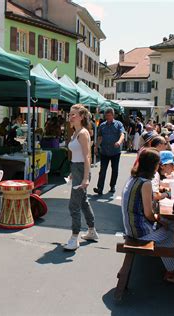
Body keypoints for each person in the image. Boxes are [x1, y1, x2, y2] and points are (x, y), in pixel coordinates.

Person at [121, 148, 174, 285]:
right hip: (139, 232)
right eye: (158, 164)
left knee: (172, 227)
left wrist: (160, 220)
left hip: (131, 226)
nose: (159, 166)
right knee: (172, 235)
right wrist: (160, 220)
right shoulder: (146, 183)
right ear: (152, 165)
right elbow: (148, 214)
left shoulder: (134, 178)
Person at [64, 104, 98, 251]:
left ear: (82, 117)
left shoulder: (82, 133)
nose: (70, 117)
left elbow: (87, 156)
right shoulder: (75, 132)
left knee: (74, 205)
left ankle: (74, 237)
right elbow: (78, 156)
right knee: (83, 202)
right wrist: (73, 171)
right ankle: (92, 231)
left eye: (74, 114)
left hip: (82, 169)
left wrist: (85, 177)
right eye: (70, 114)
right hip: (77, 168)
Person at [93, 108, 125, 195]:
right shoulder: (102, 125)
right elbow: (100, 137)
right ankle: (100, 188)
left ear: (113, 115)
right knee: (102, 170)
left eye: (109, 115)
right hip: (104, 152)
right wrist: (96, 146)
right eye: (106, 115)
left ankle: (112, 186)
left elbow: (122, 135)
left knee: (114, 170)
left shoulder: (119, 124)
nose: (107, 117)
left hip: (115, 152)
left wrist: (119, 142)